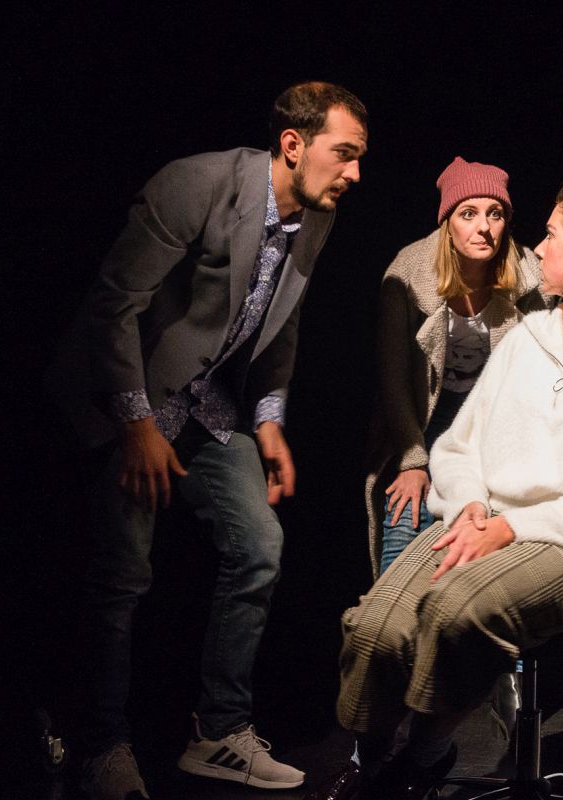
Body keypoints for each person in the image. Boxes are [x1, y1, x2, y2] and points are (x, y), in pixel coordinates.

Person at [309, 176, 563, 800]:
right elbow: (461, 446)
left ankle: (425, 756)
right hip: (486, 519)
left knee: (457, 611)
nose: (537, 249)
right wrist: (470, 505)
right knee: (374, 625)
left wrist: (511, 526)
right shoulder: (530, 338)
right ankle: (375, 764)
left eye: (551, 235)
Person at [47, 82, 368, 800]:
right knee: (123, 577)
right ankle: (101, 748)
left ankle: (220, 733)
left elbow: (282, 326)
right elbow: (113, 307)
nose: (354, 174)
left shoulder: (316, 216)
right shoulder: (196, 183)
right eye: (343, 155)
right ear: (293, 145)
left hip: (210, 407)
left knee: (259, 547)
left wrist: (270, 420)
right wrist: (135, 424)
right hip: (125, 394)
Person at [365, 156, 546, 578]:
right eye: (469, 214)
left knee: (470, 534)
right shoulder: (408, 273)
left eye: (495, 214)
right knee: (404, 523)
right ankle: (388, 627)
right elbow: (392, 379)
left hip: (490, 421)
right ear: (449, 222)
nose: (484, 227)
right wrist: (412, 460)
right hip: (423, 416)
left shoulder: (530, 276)